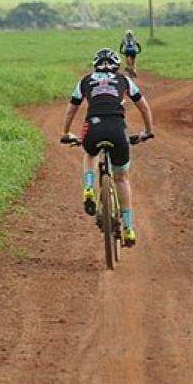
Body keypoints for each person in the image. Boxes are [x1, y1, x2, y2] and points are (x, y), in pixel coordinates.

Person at [60, 48, 154, 246]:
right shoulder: (124, 81)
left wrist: (66, 133)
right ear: (117, 65)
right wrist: (147, 131)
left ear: (95, 65)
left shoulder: (85, 80)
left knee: (90, 153)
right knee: (121, 178)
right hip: (118, 130)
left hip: (93, 128)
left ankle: (88, 188)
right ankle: (129, 228)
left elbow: (71, 109)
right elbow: (144, 107)